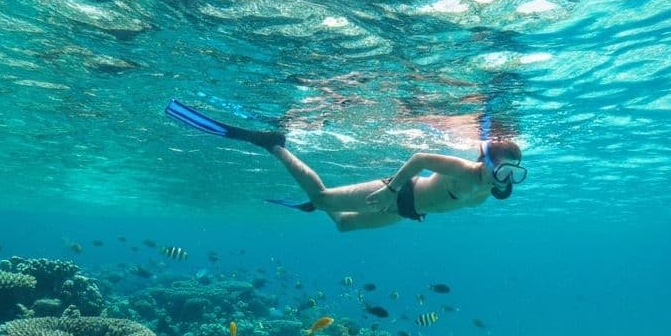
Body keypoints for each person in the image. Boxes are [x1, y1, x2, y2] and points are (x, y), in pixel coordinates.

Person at [164, 99, 526, 232]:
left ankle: (320, 204)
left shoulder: (487, 191)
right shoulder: (463, 170)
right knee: (322, 198)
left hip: (406, 213)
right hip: (397, 193)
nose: (507, 178)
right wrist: (391, 189)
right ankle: (274, 145)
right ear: (486, 160)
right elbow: (420, 159)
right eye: (504, 169)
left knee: (344, 226)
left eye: (514, 173)